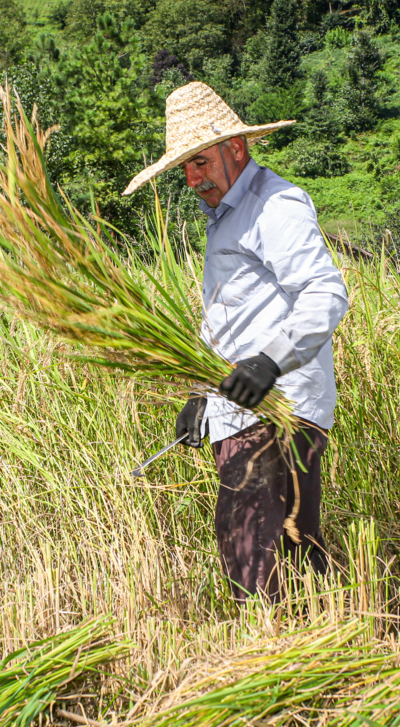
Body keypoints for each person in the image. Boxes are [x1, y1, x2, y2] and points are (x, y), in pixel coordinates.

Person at [122, 82, 349, 600]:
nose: (191, 178)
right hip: (239, 409)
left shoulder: (275, 206)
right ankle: (315, 648)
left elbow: (325, 292)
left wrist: (270, 362)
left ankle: (275, 657)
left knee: (254, 559)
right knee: (284, 553)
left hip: (276, 411)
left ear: (237, 148)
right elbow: (231, 317)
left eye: (199, 162)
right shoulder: (225, 220)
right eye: (184, 167)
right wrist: (201, 393)